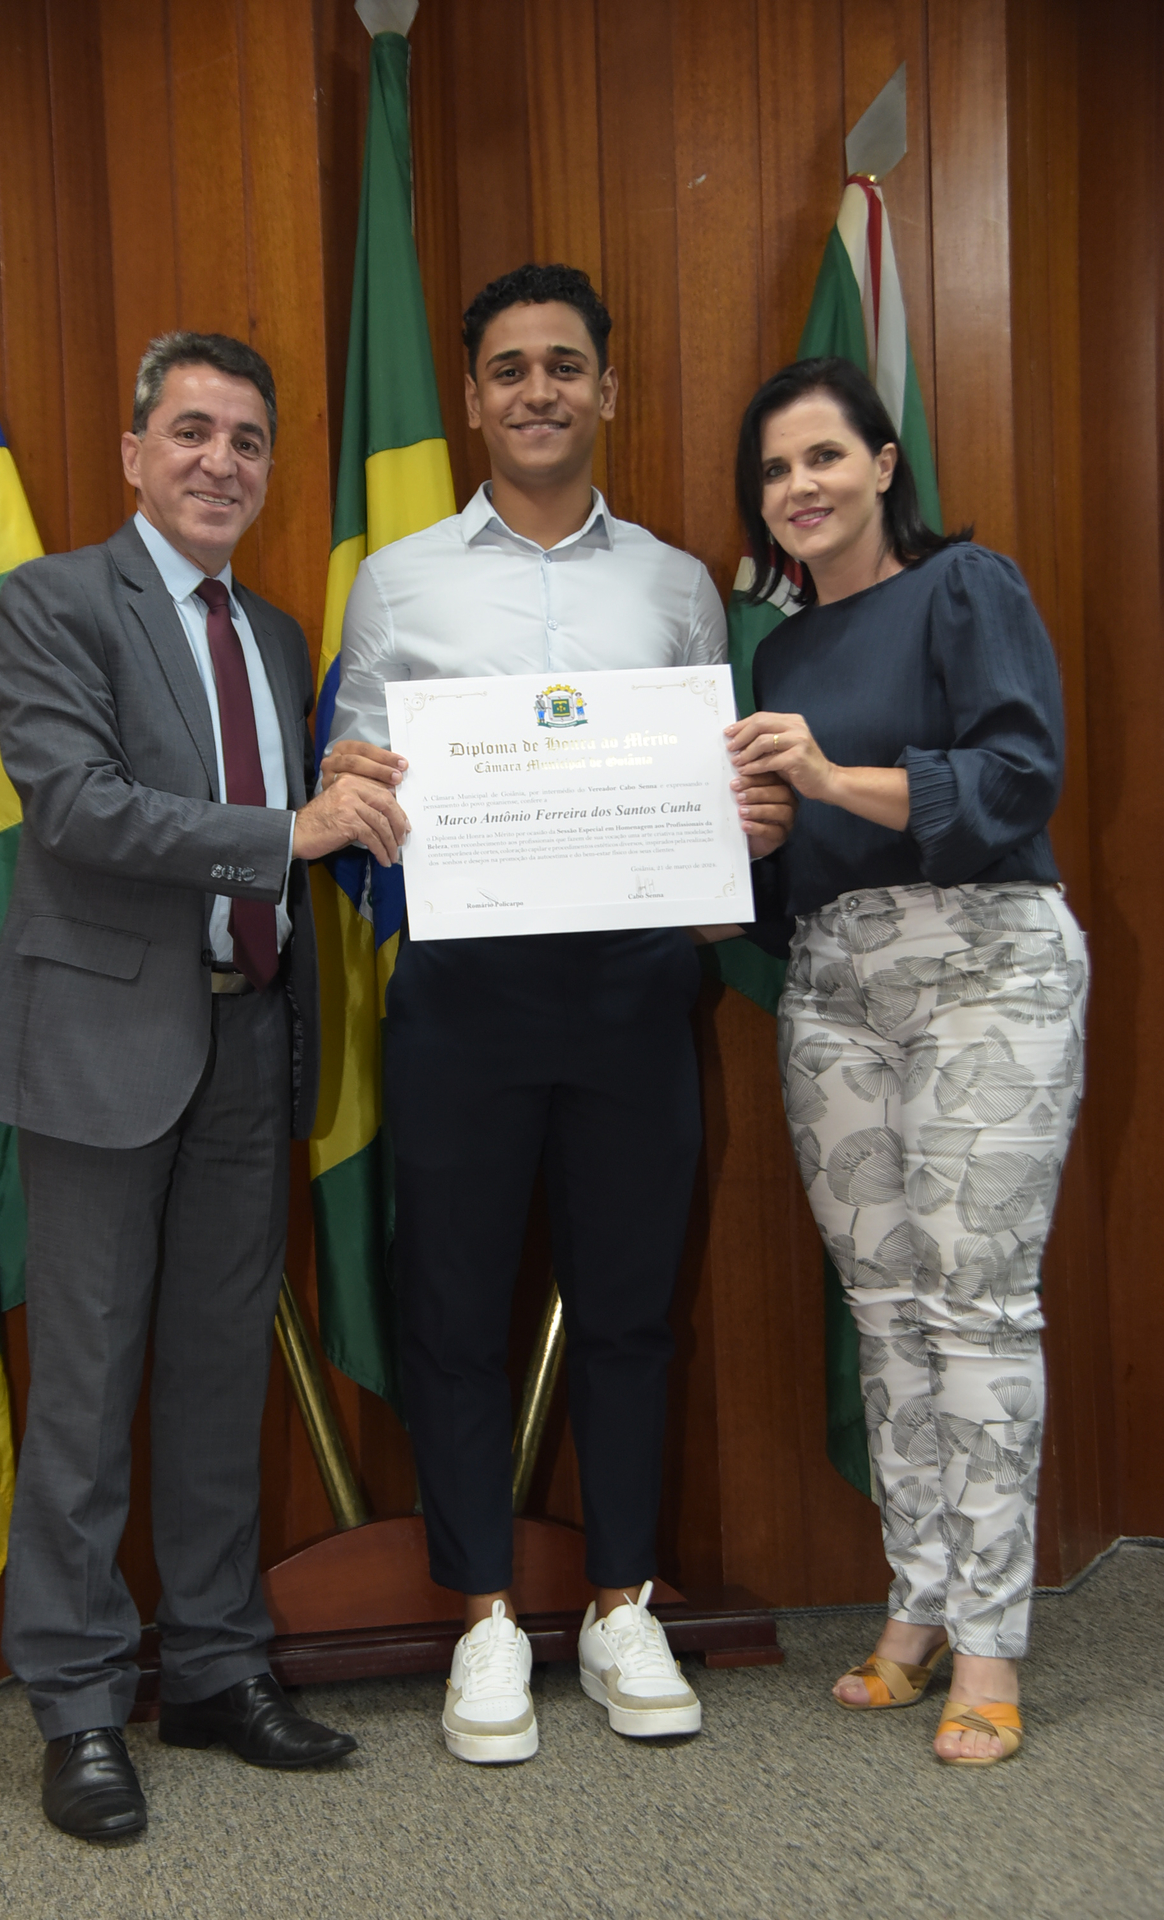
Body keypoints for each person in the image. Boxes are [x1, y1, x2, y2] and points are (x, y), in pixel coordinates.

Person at [321, 263, 795, 1763]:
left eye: (565, 365)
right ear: (472, 398)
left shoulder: (675, 585)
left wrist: (734, 836)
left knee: (633, 1307)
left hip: (634, 990)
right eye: (510, 368)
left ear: (608, 390)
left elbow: (710, 785)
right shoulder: (396, 581)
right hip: (462, 993)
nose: (538, 390)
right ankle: (480, 1617)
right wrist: (357, 790)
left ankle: (619, 1603)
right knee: (454, 1306)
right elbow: (360, 774)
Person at [0, 331, 409, 1840]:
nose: (222, 461)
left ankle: (215, 1668)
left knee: (221, 1373)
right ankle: (80, 1704)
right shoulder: (54, 601)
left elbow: (302, 811)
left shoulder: (276, 635)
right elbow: (78, 808)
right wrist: (292, 833)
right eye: (193, 432)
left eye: (248, 440)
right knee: (87, 1384)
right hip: (103, 1047)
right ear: (136, 453)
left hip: (251, 1041)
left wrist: (357, 807)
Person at [729, 355, 1087, 1768]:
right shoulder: (777, 656)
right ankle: (920, 1602)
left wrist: (825, 779)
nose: (798, 486)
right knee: (884, 1311)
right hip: (832, 988)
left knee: (977, 1309)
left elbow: (1016, 778)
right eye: (773, 470)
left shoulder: (965, 587)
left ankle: (991, 1644)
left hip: (987, 969)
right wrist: (756, 842)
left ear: (883, 465)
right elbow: (791, 875)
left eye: (823, 456)